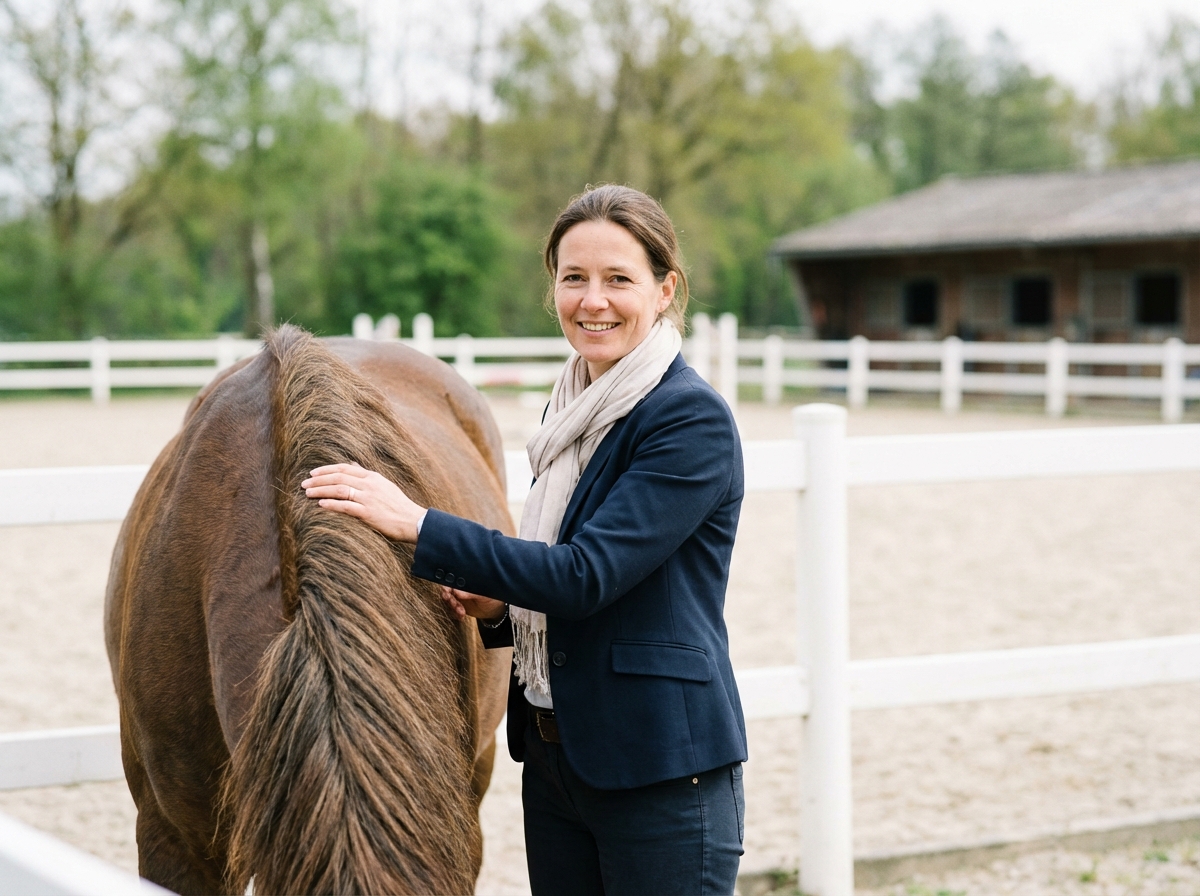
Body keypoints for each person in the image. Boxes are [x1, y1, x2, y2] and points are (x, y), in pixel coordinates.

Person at [302, 184, 747, 896]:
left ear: (665, 291)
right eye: (574, 278)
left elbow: (585, 575)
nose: (592, 301)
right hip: (553, 758)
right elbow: (587, 593)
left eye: (618, 280)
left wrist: (417, 523)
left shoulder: (688, 420)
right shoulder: (569, 408)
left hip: (659, 766)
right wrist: (498, 610)